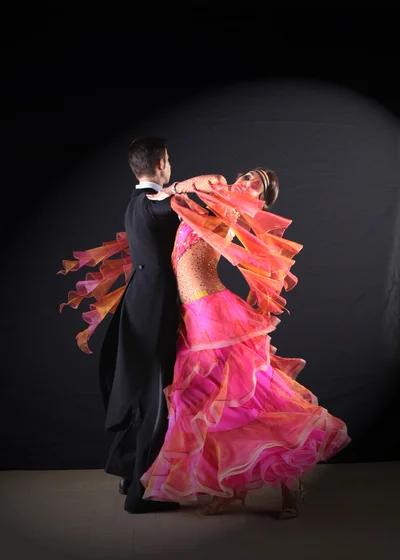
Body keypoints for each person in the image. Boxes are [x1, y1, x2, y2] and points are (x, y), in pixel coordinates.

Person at [139, 168, 351, 518]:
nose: (247, 181)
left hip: (213, 313)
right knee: (209, 405)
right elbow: (171, 201)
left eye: (258, 184)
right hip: (191, 315)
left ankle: (289, 481)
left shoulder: (229, 207)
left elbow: (178, 198)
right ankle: (229, 487)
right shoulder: (213, 204)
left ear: (261, 201)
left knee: (249, 399)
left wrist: (188, 189)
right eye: (249, 175)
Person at [59, 136, 226, 514]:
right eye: (169, 163)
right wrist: (193, 185)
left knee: (143, 396)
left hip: (138, 305)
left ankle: (125, 473)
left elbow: (161, 203)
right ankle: (141, 494)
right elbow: (168, 201)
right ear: (162, 162)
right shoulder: (155, 203)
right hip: (154, 311)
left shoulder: (135, 202)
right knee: (157, 399)